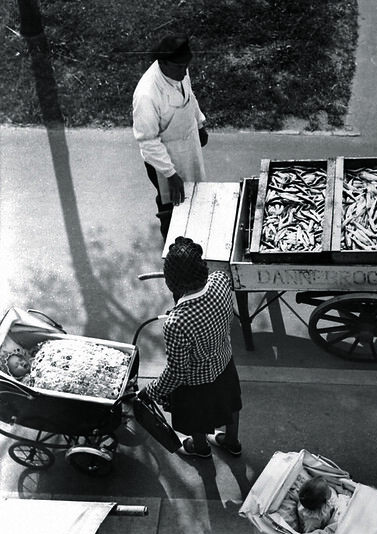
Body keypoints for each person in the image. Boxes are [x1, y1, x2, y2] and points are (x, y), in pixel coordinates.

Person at [138, 236, 242, 459]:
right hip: (224, 362)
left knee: (197, 418)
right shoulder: (221, 281)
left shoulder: (176, 323)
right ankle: (232, 442)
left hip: (196, 382)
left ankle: (201, 448)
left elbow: (177, 372)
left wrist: (152, 390)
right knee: (231, 403)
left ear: (174, 284)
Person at [133, 33, 208, 239]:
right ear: (162, 62)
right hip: (165, 159)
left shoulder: (179, 70)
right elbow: (147, 142)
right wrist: (171, 175)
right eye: (179, 68)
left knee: (194, 195)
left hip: (188, 146)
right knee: (172, 205)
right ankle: (173, 251)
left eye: (186, 66)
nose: (184, 73)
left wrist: (199, 124)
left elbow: (189, 96)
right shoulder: (147, 94)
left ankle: (195, 238)